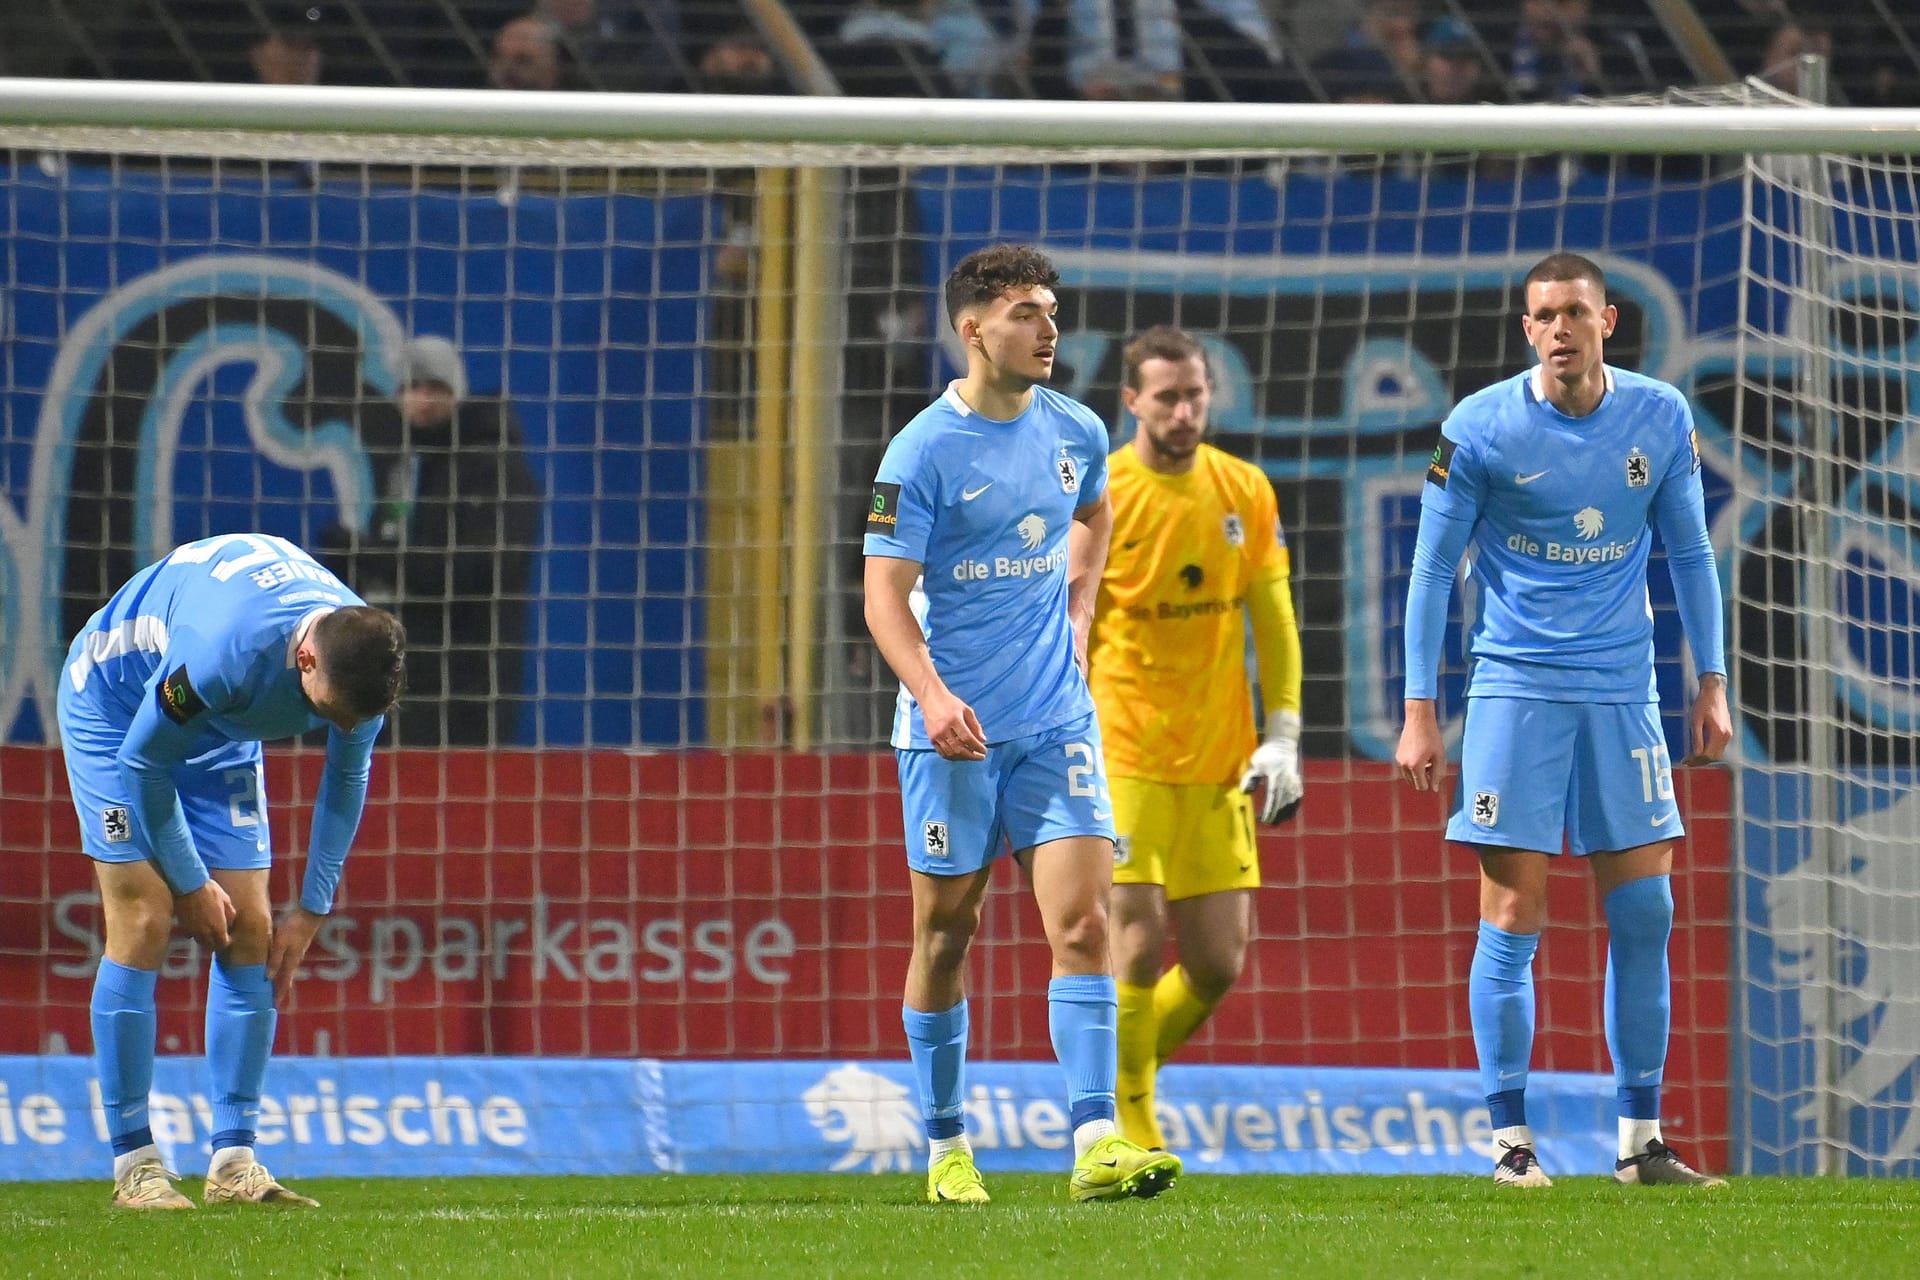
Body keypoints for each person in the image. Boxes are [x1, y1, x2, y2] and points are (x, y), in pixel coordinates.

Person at [1395, 252, 1733, 1188]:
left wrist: (1712, 680)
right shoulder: (1477, 428)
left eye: (1573, 314)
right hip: (1515, 691)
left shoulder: (1660, 416)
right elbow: (1431, 573)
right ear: (1527, 329)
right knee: (1512, 913)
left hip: (1623, 693)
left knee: (1647, 911)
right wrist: (1421, 709)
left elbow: (1691, 551)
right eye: (1542, 316)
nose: (1557, 330)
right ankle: (1510, 1144)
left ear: (1607, 322)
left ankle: (1639, 1144)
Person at [863, 243, 1181, 1204]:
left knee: (1085, 923)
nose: (1049, 328)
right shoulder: (920, 451)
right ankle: (947, 1142)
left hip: (1055, 723)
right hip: (951, 732)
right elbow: (882, 596)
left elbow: (1095, 513)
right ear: (972, 329)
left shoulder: (1077, 428)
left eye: (1051, 310)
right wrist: (930, 694)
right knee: (946, 934)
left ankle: (1095, 1143)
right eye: (1025, 314)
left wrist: (1080, 611)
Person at [58, 534, 406, 1209]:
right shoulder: (225, 652)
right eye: (320, 709)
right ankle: (136, 1163)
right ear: (304, 657)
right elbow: (143, 761)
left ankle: (235, 1161)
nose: (326, 722)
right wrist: (189, 881)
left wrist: (313, 908)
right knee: (144, 917)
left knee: (252, 929)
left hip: (220, 732)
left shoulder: (360, 659)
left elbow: (347, 774)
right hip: (115, 710)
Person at [1090, 326, 1304, 1151]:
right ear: (1132, 401)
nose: (1185, 412)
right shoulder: (1102, 493)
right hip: (1124, 747)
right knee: (1135, 941)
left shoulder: (1244, 490)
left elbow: (1275, 621)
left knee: (1219, 961)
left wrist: (1282, 734)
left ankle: (1115, 1076)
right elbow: (1074, 623)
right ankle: (1133, 1119)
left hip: (1218, 755)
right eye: (1168, 397)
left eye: (1196, 396)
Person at [318, 336, 539, 748]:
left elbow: (468, 572)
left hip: (469, 681)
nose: (421, 400)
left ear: (456, 394)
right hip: (407, 672)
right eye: (410, 388)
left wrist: (369, 556)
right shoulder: (409, 467)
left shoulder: (495, 470)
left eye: (434, 388)